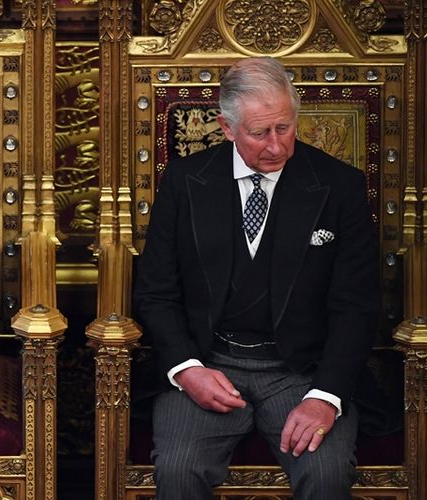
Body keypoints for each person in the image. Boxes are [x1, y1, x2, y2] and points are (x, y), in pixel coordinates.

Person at [134, 57, 380, 499]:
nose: (277, 146)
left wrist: (325, 396)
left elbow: (356, 305)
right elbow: (156, 293)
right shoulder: (186, 181)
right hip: (209, 362)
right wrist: (187, 370)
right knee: (179, 470)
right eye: (259, 132)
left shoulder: (340, 186)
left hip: (302, 373)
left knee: (325, 475)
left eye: (284, 128)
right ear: (227, 128)